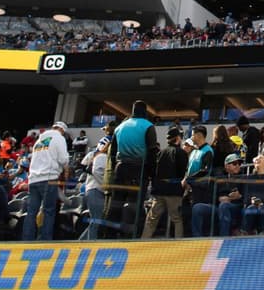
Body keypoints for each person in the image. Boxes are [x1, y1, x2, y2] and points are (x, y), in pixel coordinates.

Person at [105, 101, 158, 238]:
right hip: (139, 169)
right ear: (145, 111)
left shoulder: (120, 127)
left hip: (120, 167)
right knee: (134, 205)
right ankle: (129, 237)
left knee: (116, 204)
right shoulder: (148, 126)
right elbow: (152, 152)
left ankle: (109, 236)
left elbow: (112, 153)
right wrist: (152, 174)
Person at [23, 121, 70, 241]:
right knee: (48, 211)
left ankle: (26, 240)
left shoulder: (39, 141)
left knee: (31, 212)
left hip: (33, 179)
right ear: (62, 130)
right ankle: (45, 240)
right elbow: (63, 158)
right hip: (48, 178)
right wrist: (66, 169)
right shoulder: (59, 138)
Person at [141, 126, 188, 239]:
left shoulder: (161, 152)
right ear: (178, 138)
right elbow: (182, 172)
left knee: (152, 218)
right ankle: (178, 244)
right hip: (174, 191)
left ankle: (143, 241)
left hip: (159, 190)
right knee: (176, 219)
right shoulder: (181, 153)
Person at [184, 126, 215, 237]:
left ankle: (199, 236)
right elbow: (189, 168)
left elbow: (205, 170)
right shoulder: (194, 151)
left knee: (198, 212)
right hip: (190, 187)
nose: (191, 137)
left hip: (201, 188)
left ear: (198, 135)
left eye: (192, 135)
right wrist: (186, 178)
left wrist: (189, 179)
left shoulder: (208, 151)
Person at [81, 139, 108, 240]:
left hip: (92, 189)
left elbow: (83, 165)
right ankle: (90, 245)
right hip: (96, 190)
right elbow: (95, 171)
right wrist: (106, 186)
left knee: (95, 221)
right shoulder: (101, 156)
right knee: (96, 220)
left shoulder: (94, 154)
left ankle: (80, 243)